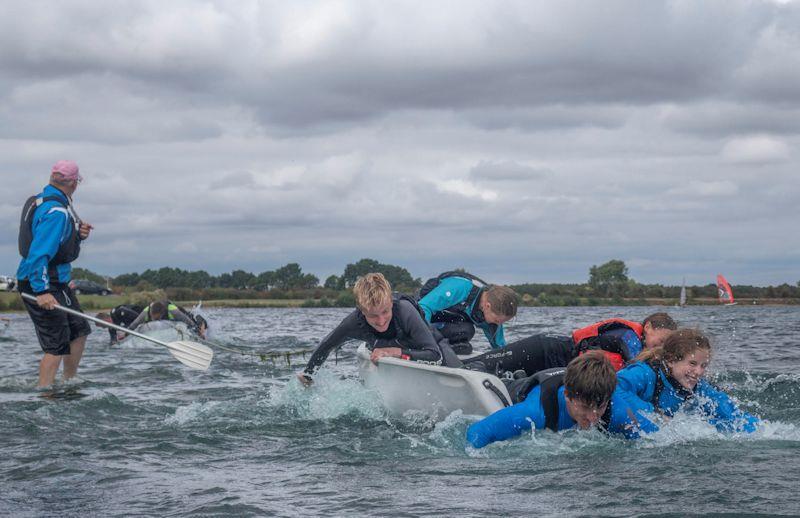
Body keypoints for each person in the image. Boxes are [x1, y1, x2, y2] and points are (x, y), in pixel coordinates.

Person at [466, 351, 656, 448]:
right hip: (517, 389)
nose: (593, 417)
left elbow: (656, 440)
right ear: (568, 396)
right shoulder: (535, 412)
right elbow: (476, 433)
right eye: (585, 408)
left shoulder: (617, 409)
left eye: (600, 407)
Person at [17, 160, 93, 388]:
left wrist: (78, 236)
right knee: (57, 344)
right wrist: (42, 291)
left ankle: (69, 382)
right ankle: (45, 395)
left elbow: (58, 243)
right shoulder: (56, 211)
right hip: (39, 283)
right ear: (73, 183)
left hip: (57, 282)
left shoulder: (48, 200)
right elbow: (39, 254)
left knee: (79, 330)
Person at [297, 272, 444, 386]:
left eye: (385, 312)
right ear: (362, 310)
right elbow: (327, 345)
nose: (381, 321)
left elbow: (435, 355)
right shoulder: (354, 322)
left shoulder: (405, 311)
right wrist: (308, 376)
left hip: (428, 346)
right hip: (389, 351)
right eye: (373, 316)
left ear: (391, 304)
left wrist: (395, 352)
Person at [616, 328, 759, 433]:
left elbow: (732, 414)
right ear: (671, 361)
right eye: (692, 364)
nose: (699, 372)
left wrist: (765, 430)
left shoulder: (700, 388)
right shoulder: (644, 373)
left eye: (704, 366)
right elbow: (613, 387)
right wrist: (654, 414)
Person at [462, 312, 677, 378]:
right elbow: (633, 359)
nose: (662, 346)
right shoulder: (629, 335)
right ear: (648, 327)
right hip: (546, 350)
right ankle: (448, 367)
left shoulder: (641, 345)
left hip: (558, 369)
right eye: (662, 339)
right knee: (476, 365)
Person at [417, 271, 518, 353]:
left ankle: (447, 349)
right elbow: (423, 308)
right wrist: (426, 342)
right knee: (465, 330)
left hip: (445, 323)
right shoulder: (459, 287)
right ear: (487, 306)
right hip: (416, 315)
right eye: (497, 320)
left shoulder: (491, 310)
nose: (499, 324)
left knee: (465, 332)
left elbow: (500, 348)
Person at [126, 300, 204, 337]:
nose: (154, 320)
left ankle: (202, 322)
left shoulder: (174, 311)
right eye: (153, 317)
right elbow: (133, 325)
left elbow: (190, 323)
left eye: (156, 318)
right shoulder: (145, 313)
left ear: (162, 314)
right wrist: (125, 335)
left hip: (181, 313)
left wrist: (198, 333)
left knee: (196, 322)